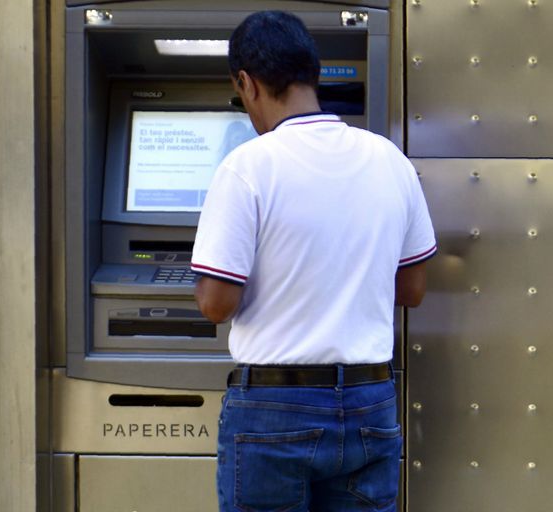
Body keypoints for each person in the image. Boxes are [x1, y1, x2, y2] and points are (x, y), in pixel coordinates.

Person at [190, 11, 436, 512]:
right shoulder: (390, 160)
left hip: (274, 411)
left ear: (246, 82)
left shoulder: (247, 166)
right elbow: (411, 291)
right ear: (313, 74)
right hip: (369, 402)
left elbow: (217, 303)